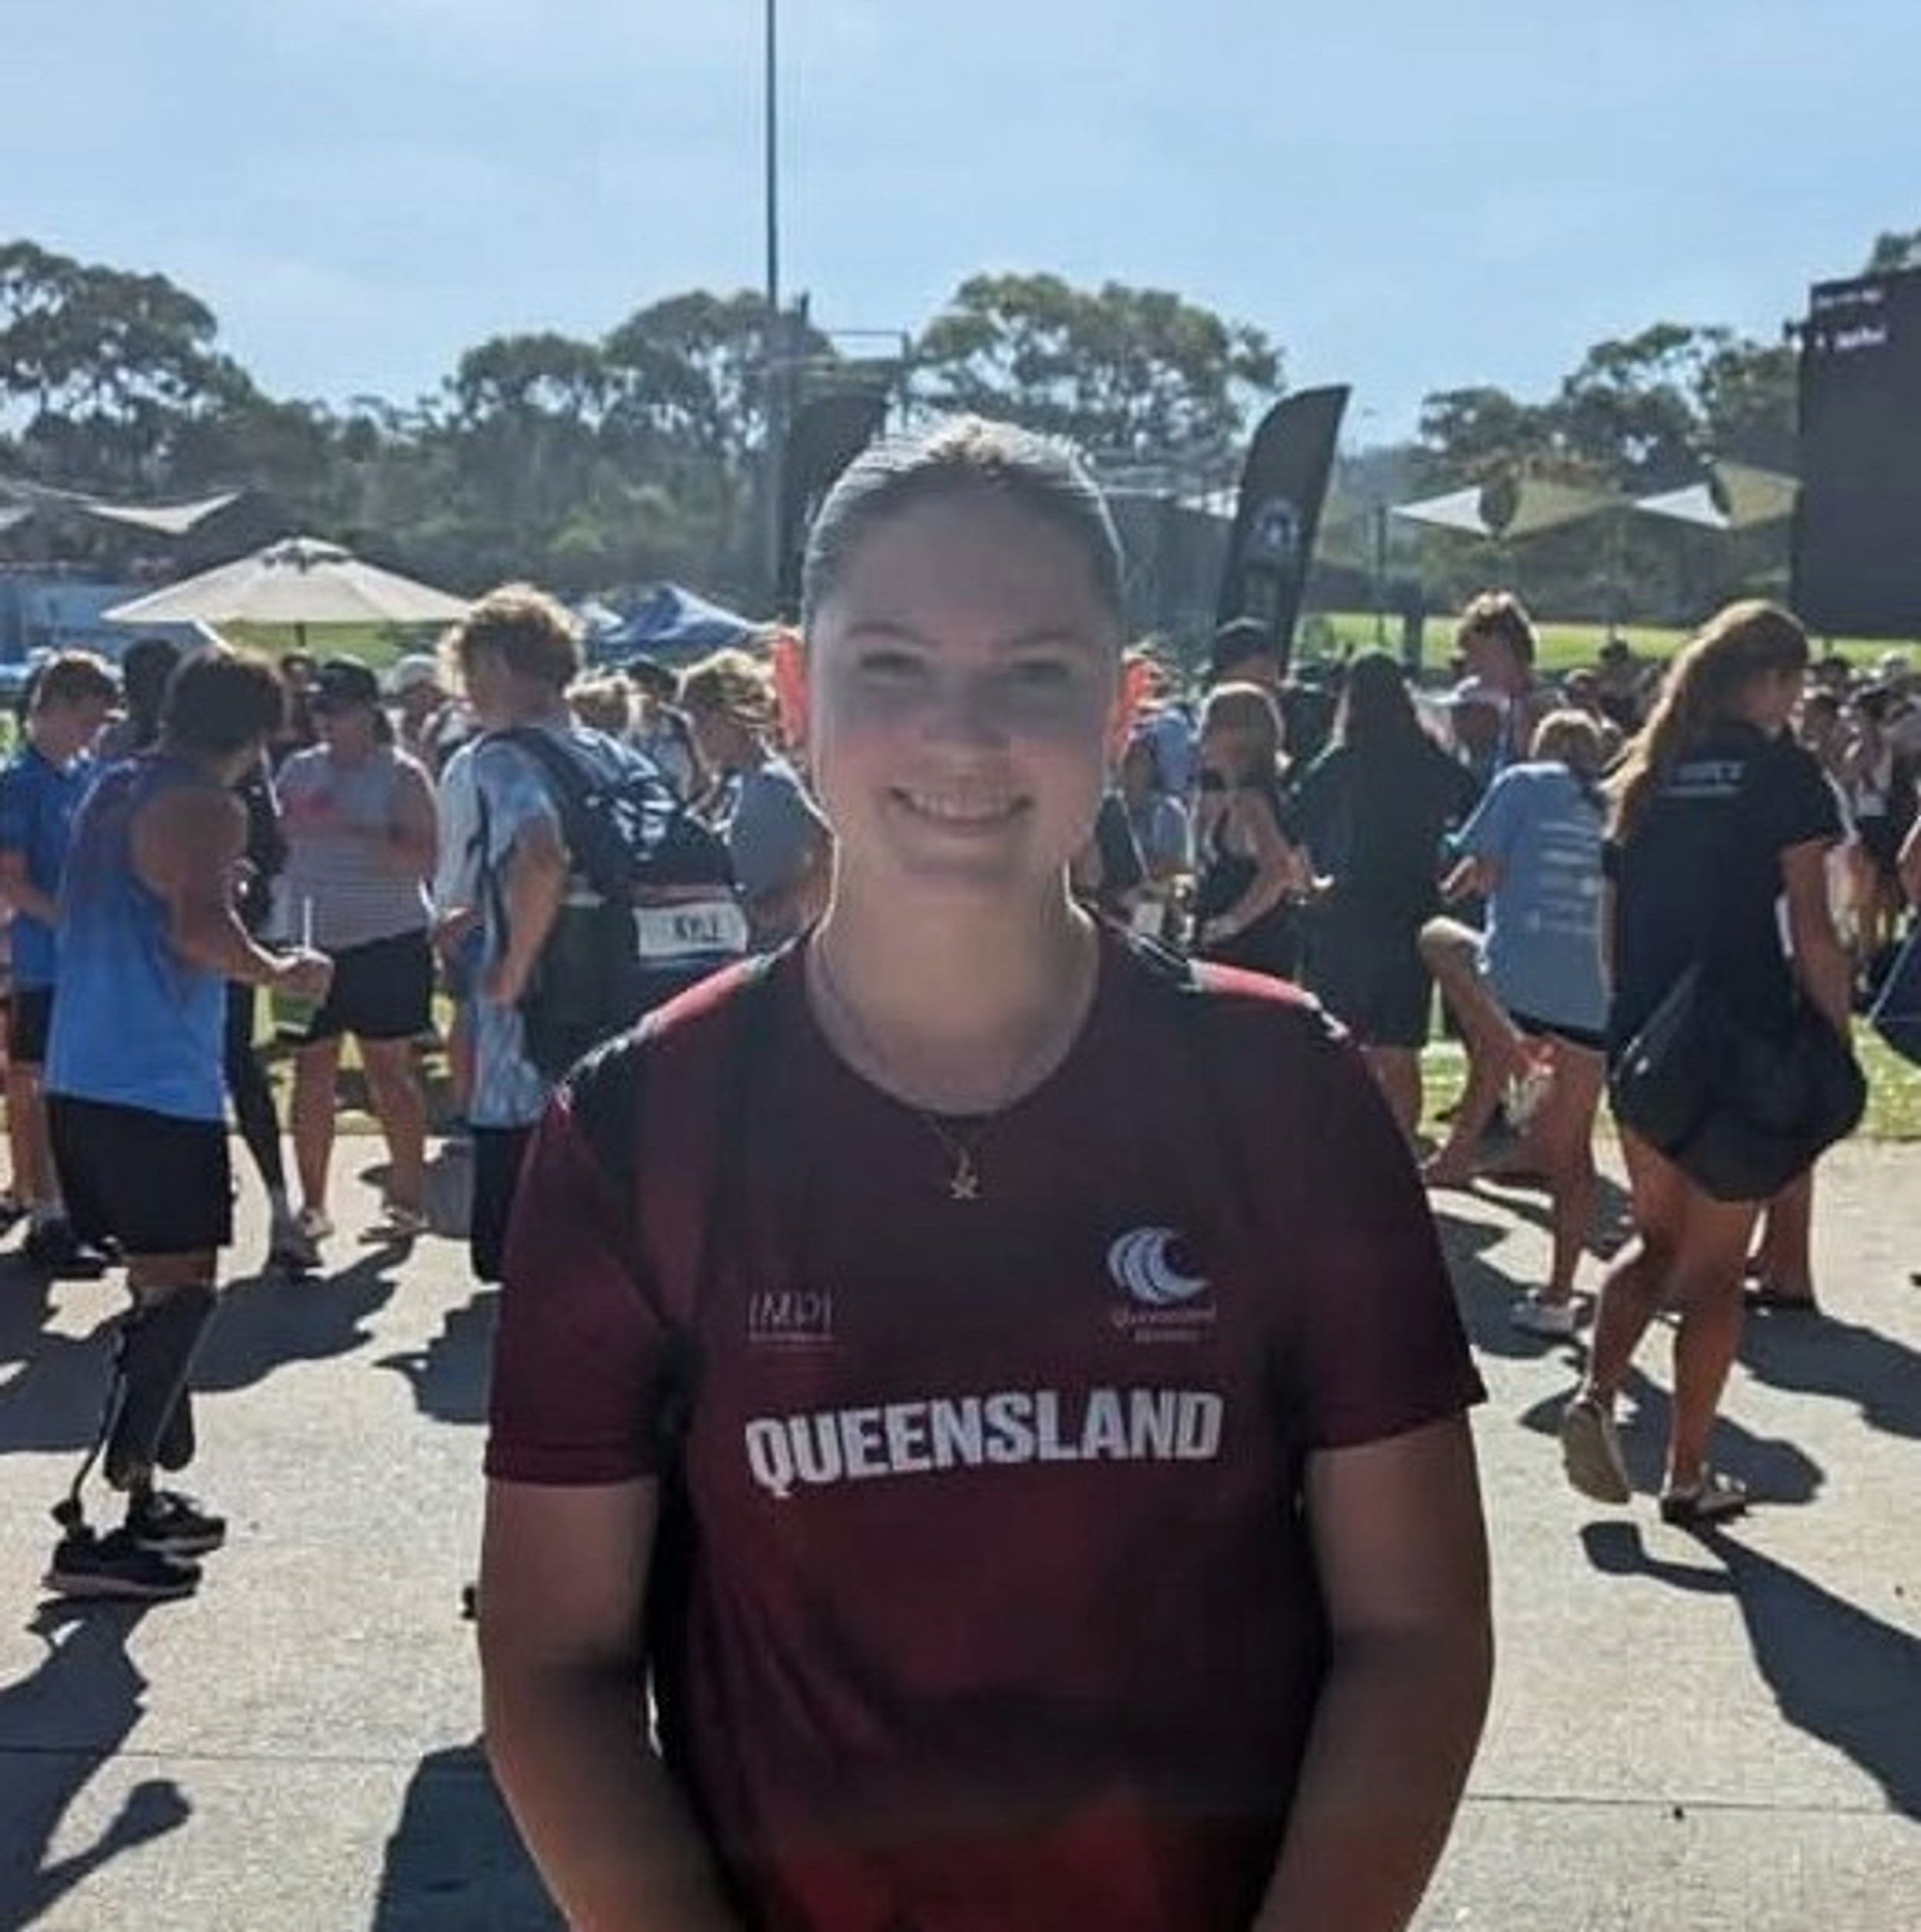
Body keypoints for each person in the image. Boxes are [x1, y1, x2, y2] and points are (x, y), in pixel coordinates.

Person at [479, 418, 1491, 1932]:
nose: (961, 736)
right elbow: (552, 1663)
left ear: (1123, 707)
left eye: (1034, 672)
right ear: (794, 692)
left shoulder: (1284, 1089)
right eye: (890, 664)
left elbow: (1413, 1628)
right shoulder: (641, 1125)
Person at [41, 646, 332, 1598]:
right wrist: (282, 972)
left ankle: (144, 1499)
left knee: (158, 1290)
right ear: (258, 732)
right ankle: (99, 1520)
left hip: (85, 1073)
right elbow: (199, 932)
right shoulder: (208, 805)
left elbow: (149, 899)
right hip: (151, 1081)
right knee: (180, 1296)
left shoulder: (115, 783)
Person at [1561, 601, 1850, 1527]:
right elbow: (1812, 928)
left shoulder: (1647, 772)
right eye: (1793, 688)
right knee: (1717, 1270)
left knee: (1652, 1237)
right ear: (1768, 681)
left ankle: (1595, 1393)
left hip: (1646, 1037)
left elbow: (1611, 934)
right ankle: (1686, 1474)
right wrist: (1833, 1039)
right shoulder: (1782, 775)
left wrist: (1629, 1025)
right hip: (1741, 1038)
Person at [446, 586, 743, 1284]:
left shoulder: (501, 758)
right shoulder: (619, 756)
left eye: (469, 672)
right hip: (627, 999)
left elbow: (543, 855)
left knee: (531, 1253)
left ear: (496, 664)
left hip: (539, 1027)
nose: (466, 690)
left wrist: (511, 967)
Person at [1422, 712, 1611, 1334]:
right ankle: (1558, 1295)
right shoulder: (1613, 802)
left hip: (1515, 973)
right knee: (1572, 1153)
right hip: (1592, 990)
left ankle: (1519, 1062)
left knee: (1439, 939)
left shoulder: (1521, 783)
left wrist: (1455, 887)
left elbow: (1487, 873)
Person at [277, 658, 438, 1247]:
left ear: (370, 711)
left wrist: (349, 828)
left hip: (386, 940)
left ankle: (407, 1202)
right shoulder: (297, 769)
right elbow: (276, 838)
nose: (326, 720)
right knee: (310, 1071)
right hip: (309, 941)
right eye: (318, 708)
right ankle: (313, 1205)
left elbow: (423, 858)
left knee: (388, 1073)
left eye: (338, 709)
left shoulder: (402, 774)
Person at [1292, 651, 1481, 1138]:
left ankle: (1346, 1143)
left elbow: (1294, 818)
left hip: (1356, 906)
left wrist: (1311, 885)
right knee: (1400, 1049)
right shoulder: (1429, 758)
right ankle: (1401, 1149)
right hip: (1416, 908)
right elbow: (1480, 817)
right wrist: (1454, 882)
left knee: (1347, 1040)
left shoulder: (1347, 758)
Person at [0, 652, 121, 1276]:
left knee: (82, 1090)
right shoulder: (20, 783)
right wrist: (72, 925)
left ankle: (77, 1208)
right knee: (43, 1088)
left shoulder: (85, 775)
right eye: (88, 720)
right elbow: (12, 881)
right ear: (57, 706)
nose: (94, 733)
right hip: (44, 962)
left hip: (88, 964)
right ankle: (48, 1215)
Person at [682, 647, 832, 948]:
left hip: (769, 951)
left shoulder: (771, 782)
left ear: (729, 716)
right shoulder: (736, 785)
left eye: (701, 720)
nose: (696, 734)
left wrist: (775, 907)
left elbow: (828, 848)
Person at [1189, 680, 1309, 977]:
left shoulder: (1250, 799)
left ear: (1239, 736)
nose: (1201, 739)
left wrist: (1228, 924)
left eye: (1210, 729)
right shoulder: (1270, 796)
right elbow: (1302, 876)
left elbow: (1278, 871)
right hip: (1262, 944)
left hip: (1246, 952)